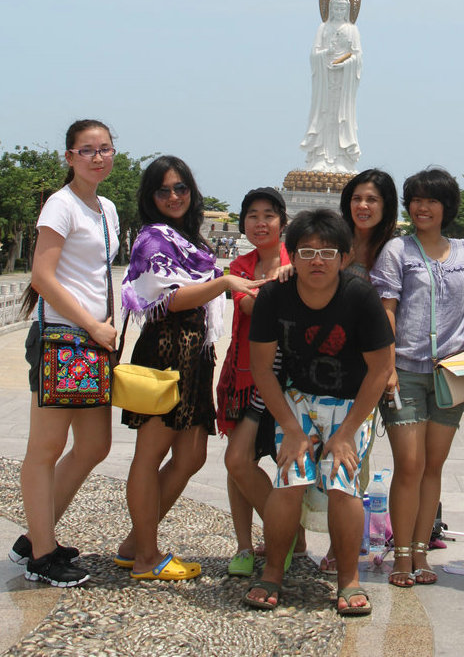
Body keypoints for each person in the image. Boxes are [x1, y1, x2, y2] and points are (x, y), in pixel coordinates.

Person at [115, 156, 263, 580]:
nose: (174, 196)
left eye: (180, 188)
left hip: (196, 354)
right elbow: (167, 300)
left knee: (192, 454)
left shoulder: (188, 239)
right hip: (166, 351)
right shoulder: (152, 239)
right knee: (150, 454)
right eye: (163, 190)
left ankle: (134, 543)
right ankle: (146, 556)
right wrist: (223, 283)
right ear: (151, 197)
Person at [243, 209, 394, 616]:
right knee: (289, 478)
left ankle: (349, 580)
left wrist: (346, 433)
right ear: (292, 255)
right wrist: (291, 429)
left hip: (350, 402)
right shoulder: (274, 296)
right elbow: (262, 368)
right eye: (307, 251)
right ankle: (273, 572)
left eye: (327, 252)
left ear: (344, 257)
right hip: (298, 397)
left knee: (343, 483)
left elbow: (380, 368)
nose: (317, 260)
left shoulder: (359, 296)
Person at [369, 168, 464, 588]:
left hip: (451, 376)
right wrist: (387, 367)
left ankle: (422, 551)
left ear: (446, 207)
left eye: (431, 200)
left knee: (433, 466)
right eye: (416, 199)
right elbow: (386, 309)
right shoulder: (397, 250)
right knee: (410, 465)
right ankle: (402, 555)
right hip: (405, 371)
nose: (422, 207)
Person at [13, 119, 120, 587]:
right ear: (70, 157)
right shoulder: (61, 205)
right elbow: (42, 276)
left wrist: (105, 327)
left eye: (105, 149)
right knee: (45, 449)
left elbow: (97, 274)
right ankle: (43, 554)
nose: (98, 157)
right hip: (62, 338)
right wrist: (92, 324)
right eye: (87, 150)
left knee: (95, 445)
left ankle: (34, 535)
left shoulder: (106, 208)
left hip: (92, 344)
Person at [312, 168, 399, 576]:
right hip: (323, 357)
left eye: (372, 200)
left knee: (352, 453)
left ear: (386, 206)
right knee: (310, 449)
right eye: (357, 198)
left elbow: (393, 311)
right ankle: (293, 536)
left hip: (367, 365)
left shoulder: (393, 250)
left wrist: (390, 365)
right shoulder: (334, 241)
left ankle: (342, 545)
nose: (363, 206)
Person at [217, 187, 298, 577]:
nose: (260, 222)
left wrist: (284, 277)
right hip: (244, 374)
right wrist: (275, 284)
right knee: (239, 463)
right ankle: (246, 545)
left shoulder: (297, 261)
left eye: (269, 215)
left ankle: (287, 533)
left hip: (286, 377)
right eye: (252, 215)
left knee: (284, 461)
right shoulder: (241, 264)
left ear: (283, 221)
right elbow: (248, 305)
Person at [301, 0, 362, 172]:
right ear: (330, 8)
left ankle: (341, 159)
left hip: (343, 80)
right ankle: (320, 157)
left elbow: (358, 57)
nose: (339, 11)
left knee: (341, 117)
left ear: (348, 9)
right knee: (324, 114)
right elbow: (314, 54)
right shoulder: (323, 28)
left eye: (342, 8)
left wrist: (346, 63)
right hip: (325, 80)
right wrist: (326, 53)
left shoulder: (352, 30)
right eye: (336, 7)